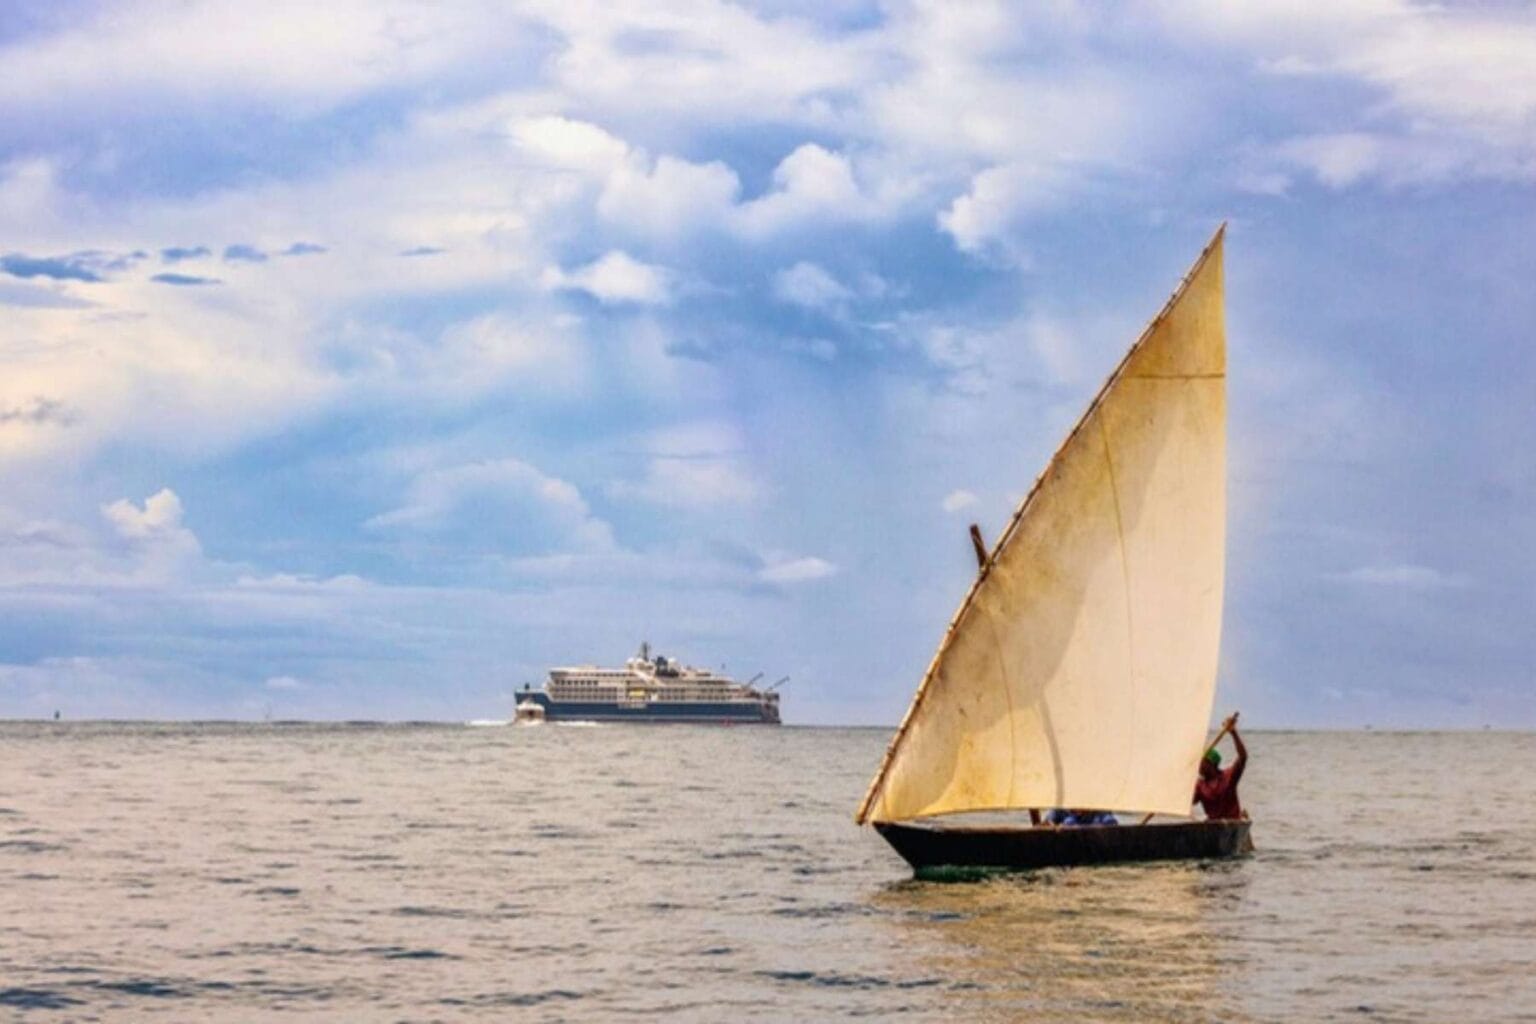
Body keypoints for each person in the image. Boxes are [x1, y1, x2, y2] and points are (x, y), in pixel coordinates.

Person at [1193, 712, 1247, 820]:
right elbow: (1187, 802)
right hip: (1213, 825)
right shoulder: (1200, 785)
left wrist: (1233, 733)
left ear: (1210, 763)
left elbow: (1243, 757)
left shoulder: (1228, 776)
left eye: (1201, 762)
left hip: (1232, 822)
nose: (1197, 766)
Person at [1045, 808, 1119, 827]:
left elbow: (1111, 822)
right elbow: (1049, 822)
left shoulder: (1103, 814)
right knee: (1069, 822)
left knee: (1108, 820)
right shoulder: (1059, 811)